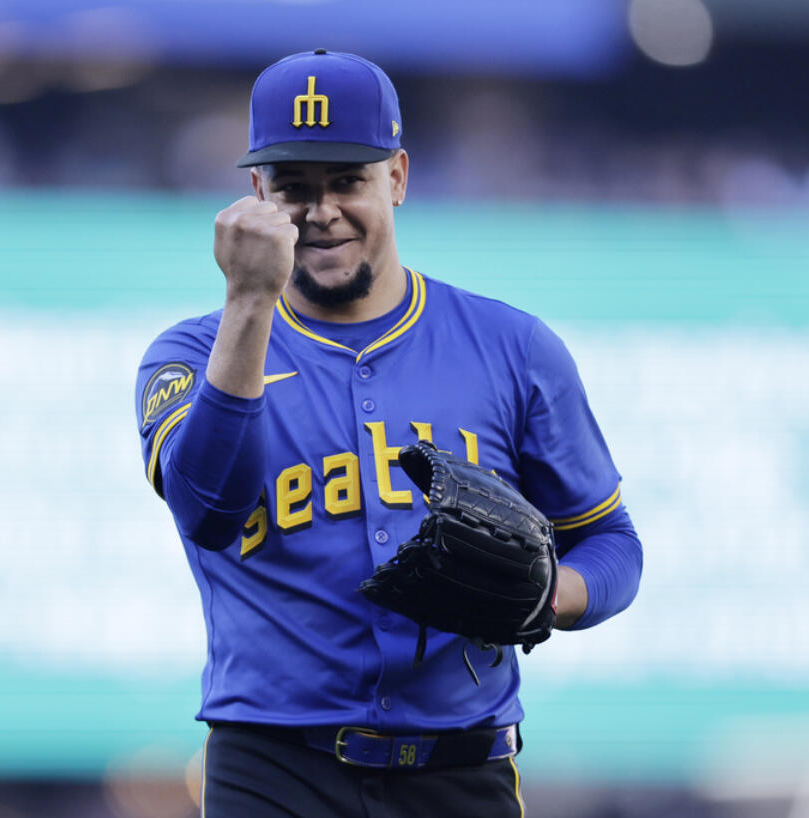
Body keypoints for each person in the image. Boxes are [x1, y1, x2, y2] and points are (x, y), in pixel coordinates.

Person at [136, 49, 642, 818]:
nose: (322, 210)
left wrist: (552, 594)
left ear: (397, 178)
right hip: (272, 768)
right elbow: (208, 512)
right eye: (293, 188)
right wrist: (248, 303)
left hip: (460, 767)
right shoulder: (191, 356)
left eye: (348, 180)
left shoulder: (513, 348)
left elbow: (612, 543)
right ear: (254, 195)